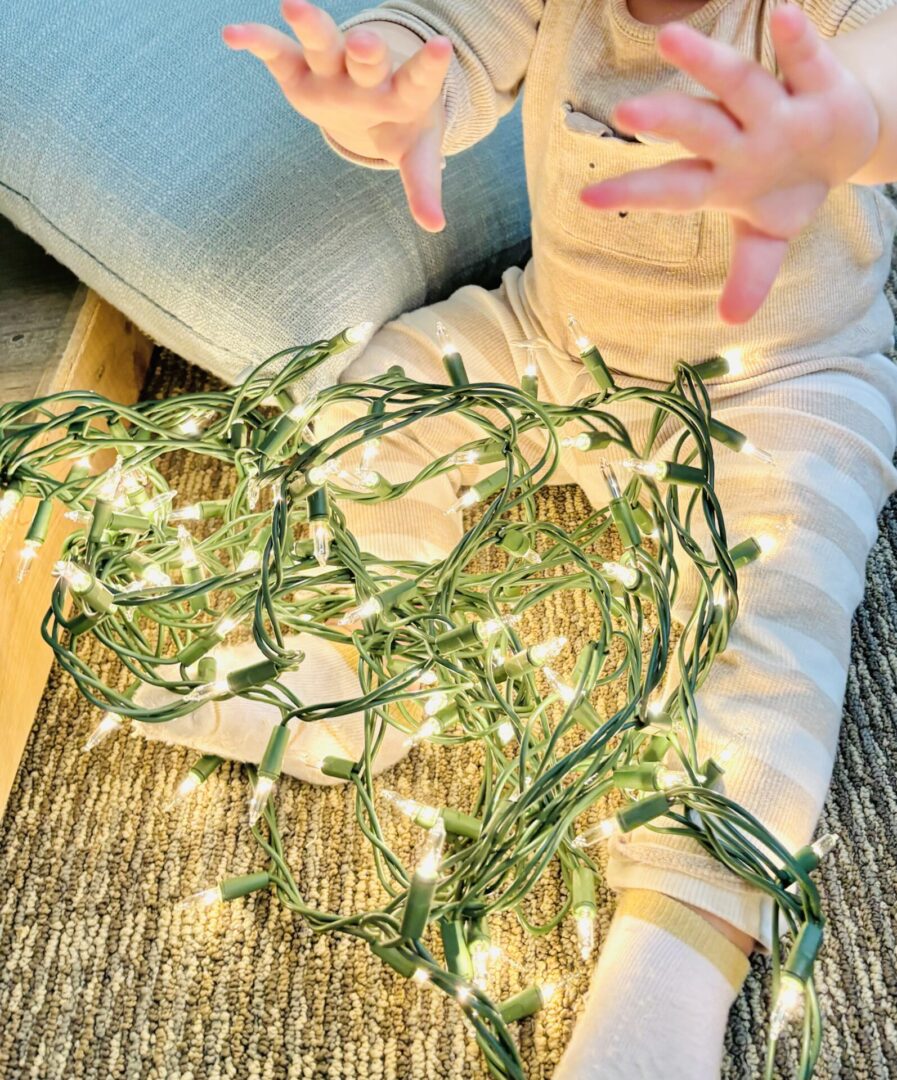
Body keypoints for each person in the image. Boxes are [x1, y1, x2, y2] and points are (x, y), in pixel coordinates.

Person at [143, 0, 897, 1074]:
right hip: (557, 342)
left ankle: (674, 961)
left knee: (774, 632)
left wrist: (835, 124)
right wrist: (385, 99)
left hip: (788, 378)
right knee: (369, 402)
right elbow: (440, 47)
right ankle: (353, 671)